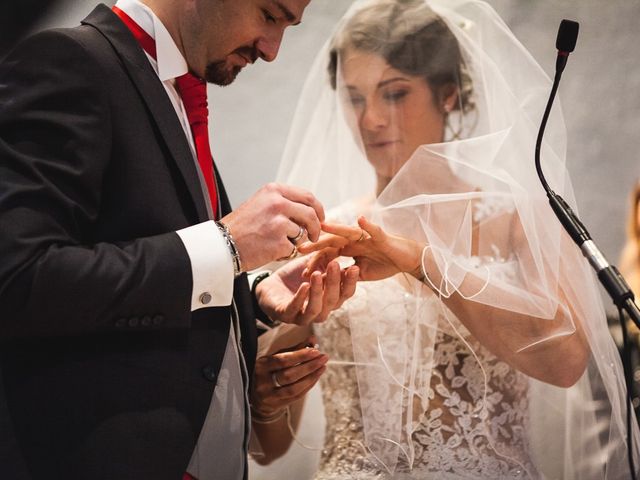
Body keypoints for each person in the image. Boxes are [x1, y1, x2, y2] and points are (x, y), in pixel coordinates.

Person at [249, 0, 640, 478]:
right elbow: (268, 450)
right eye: (354, 97)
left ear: (449, 94)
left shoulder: (518, 219)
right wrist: (267, 401)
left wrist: (422, 262)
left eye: (393, 94)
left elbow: (565, 362)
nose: (370, 118)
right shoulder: (324, 233)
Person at [0, 0, 360, 479]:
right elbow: (20, 278)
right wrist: (228, 245)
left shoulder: (170, 90)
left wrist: (255, 301)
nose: (272, 50)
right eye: (270, 15)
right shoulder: (70, 61)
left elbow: (143, 283)